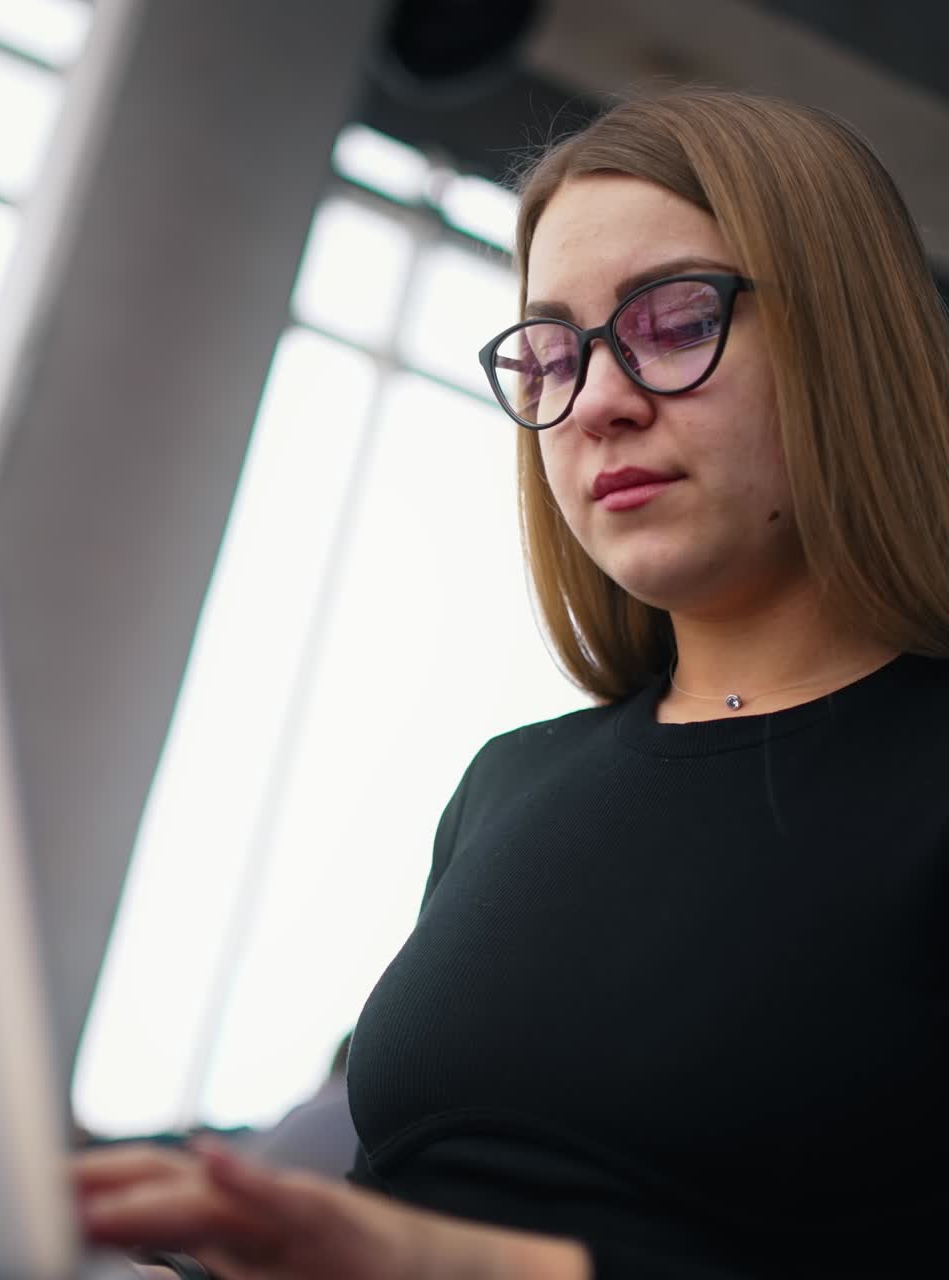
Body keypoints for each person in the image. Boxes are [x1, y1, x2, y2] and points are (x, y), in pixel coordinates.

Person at [71, 87, 949, 1279]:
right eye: (548, 355)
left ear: (846, 338)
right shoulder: (510, 782)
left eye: (676, 319)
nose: (595, 402)